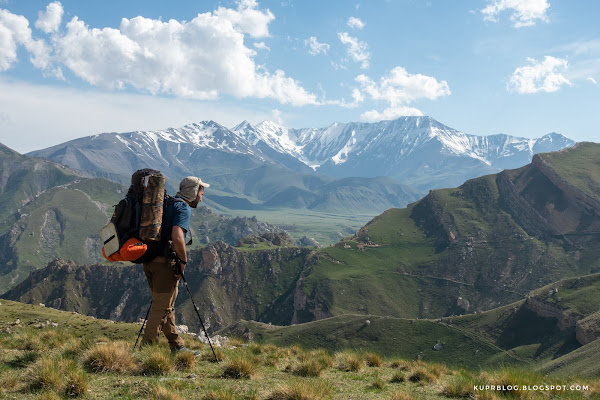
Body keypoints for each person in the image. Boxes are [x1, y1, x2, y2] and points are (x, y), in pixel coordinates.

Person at [142, 176, 209, 353]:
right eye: (201, 193)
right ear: (194, 192)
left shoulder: (167, 203)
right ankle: (146, 349)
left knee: (166, 304)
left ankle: (176, 345)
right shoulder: (182, 207)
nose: (201, 198)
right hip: (165, 263)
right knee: (161, 306)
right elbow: (177, 235)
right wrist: (183, 260)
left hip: (149, 260)